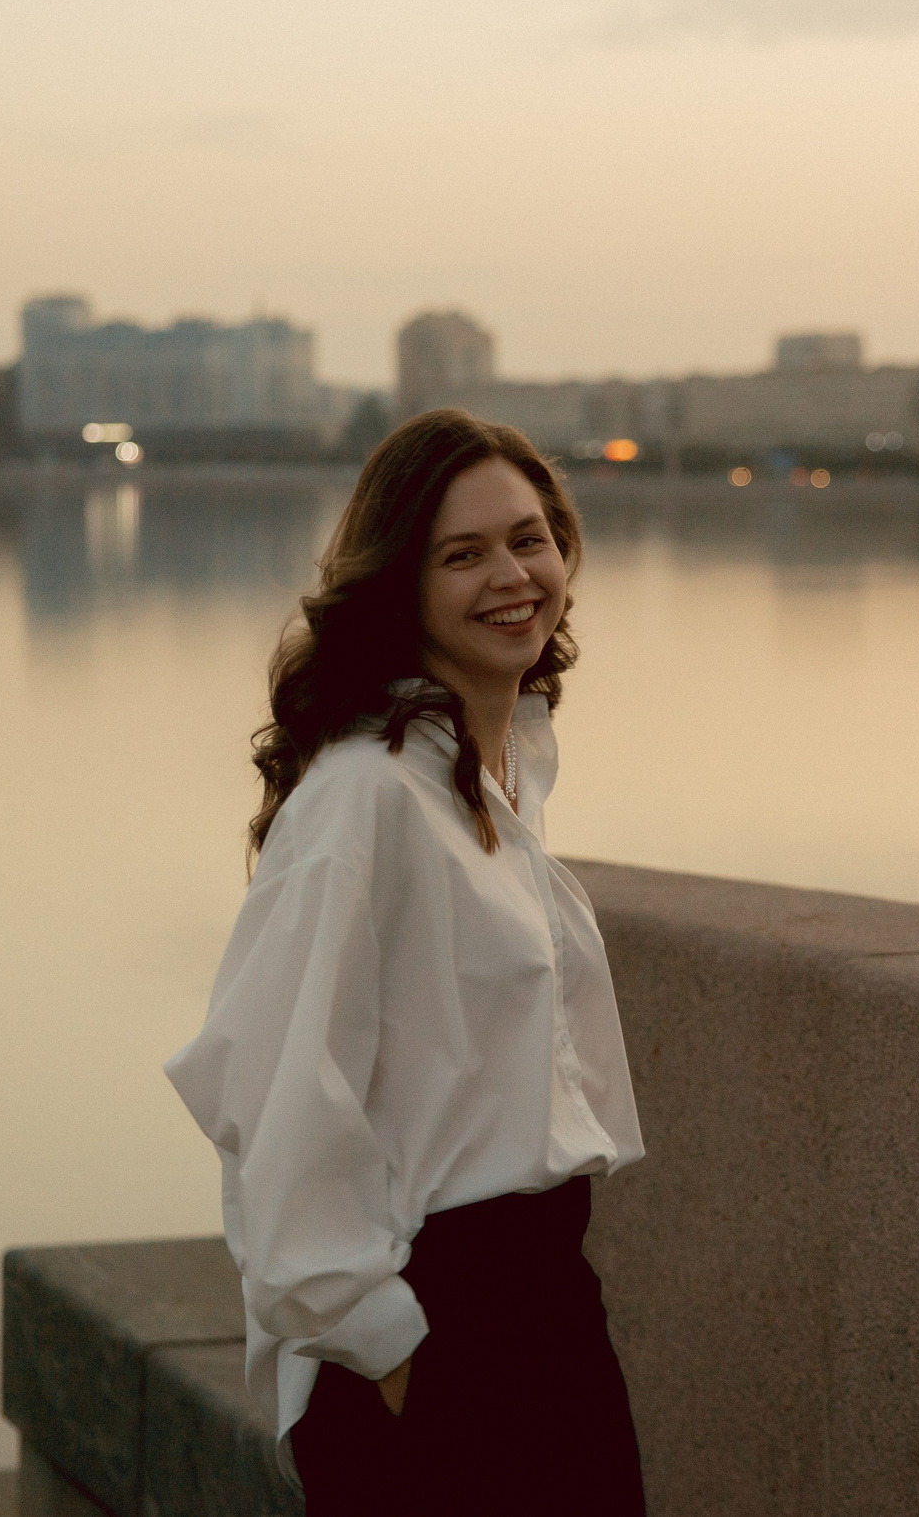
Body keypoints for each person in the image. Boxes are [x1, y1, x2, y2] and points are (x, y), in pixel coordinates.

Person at [164, 409, 649, 1514]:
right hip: (435, 1331)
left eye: (529, 539)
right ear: (400, 586)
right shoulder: (364, 798)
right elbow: (276, 1090)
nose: (511, 575)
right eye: (462, 554)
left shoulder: (497, 780)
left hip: (546, 1309)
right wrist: (386, 1346)